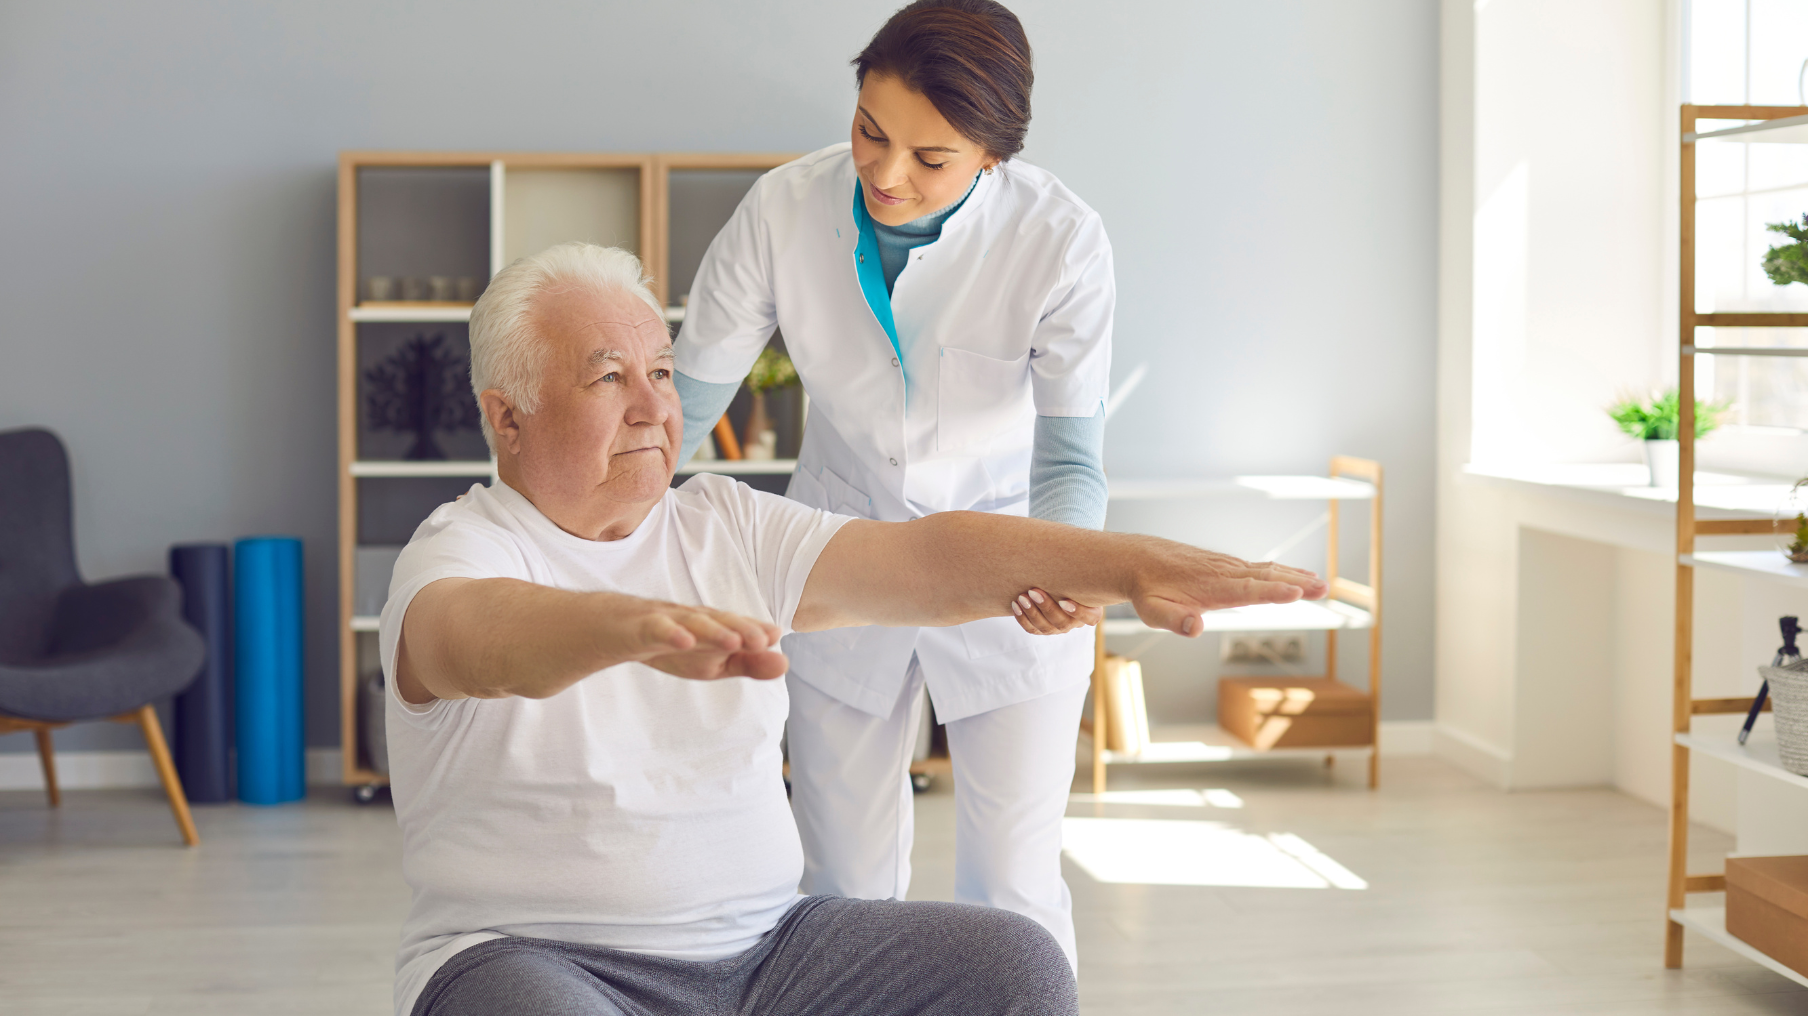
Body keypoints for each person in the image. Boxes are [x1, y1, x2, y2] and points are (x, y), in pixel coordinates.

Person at [380, 242, 1324, 1016]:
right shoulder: (456, 551)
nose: (654, 406)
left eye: (662, 372)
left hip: (769, 956)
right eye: (609, 377)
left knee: (1014, 970)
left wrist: (1128, 567)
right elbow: (484, 641)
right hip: (535, 962)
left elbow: (926, 561)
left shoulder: (726, 522)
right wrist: (628, 625)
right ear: (508, 417)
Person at [672, 0, 1111, 967]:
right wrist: (589, 539)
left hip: (1007, 567)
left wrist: (1068, 572)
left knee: (1015, 891)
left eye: (931, 157)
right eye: (871, 131)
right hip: (841, 549)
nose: (885, 172)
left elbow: (1072, 463)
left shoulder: (1061, 240)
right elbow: (683, 410)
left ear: (994, 155)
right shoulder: (784, 209)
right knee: (843, 884)